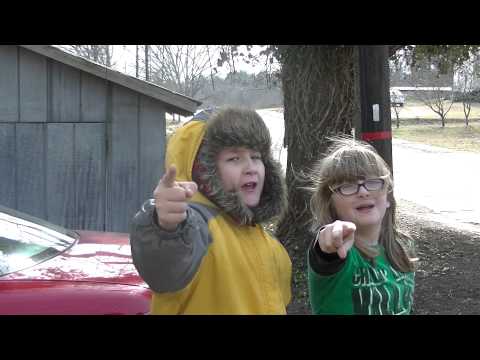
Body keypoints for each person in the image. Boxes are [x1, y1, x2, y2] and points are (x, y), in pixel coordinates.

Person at [130, 107, 292, 314]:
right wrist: (166, 227)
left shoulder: (266, 242)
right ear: (203, 169)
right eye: (234, 158)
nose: (251, 167)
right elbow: (164, 265)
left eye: (256, 156)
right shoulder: (196, 227)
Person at [307, 136, 416, 315]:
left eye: (373, 182)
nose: (363, 192)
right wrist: (327, 245)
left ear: (388, 196)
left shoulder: (403, 247)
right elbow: (325, 253)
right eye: (347, 186)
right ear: (330, 203)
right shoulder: (340, 250)